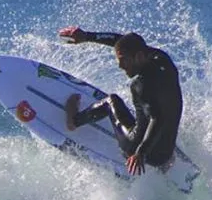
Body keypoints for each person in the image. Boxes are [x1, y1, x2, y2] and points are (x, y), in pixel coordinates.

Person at [58, 26, 183, 176]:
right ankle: (165, 164)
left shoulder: (141, 85)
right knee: (160, 109)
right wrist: (87, 36)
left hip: (137, 147)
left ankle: (74, 121)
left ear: (139, 57)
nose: (120, 65)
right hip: (165, 154)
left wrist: (140, 153)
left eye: (124, 60)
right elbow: (121, 42)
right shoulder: (163, 61)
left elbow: (157, 118)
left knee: (111, 101)